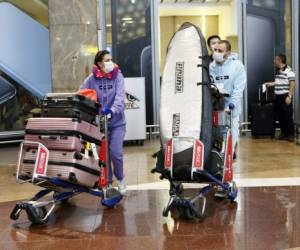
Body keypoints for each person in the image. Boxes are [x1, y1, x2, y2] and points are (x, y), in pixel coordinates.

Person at [80, 50, 126, 194]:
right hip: (100, 124)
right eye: (107, 60)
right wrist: (92, 105)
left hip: (117, 123)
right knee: (103, 155)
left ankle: (121, 179)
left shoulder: (118, 76)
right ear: (99, 64)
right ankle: (109, 182)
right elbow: (82, 93)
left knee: (115, 153)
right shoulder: (92, 79)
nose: (110, 62)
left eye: (110, 59)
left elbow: (120, 98)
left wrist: (112, 111)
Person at [209, 40, 246, 160]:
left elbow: (239, 87)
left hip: (230, 105)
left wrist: (232, 103)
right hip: (216, 104)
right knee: (217, 130)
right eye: (215, 50)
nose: (217, 53)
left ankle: (229, 152)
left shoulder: (237, 66)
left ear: (228, 52)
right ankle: (218, 154)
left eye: (220, 51)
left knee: (231, 129)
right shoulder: (211, 66)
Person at [264, 54, 295, 142]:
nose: (274, 61)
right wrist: (270, 84)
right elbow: (278, 82)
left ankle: (291, 135)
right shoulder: (278, 71)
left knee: (287, 116)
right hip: (278, 97)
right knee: (281, 116)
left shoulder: (289, 71)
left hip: (285, 96)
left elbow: (292, 84)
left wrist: (289, 96)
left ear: (279, 61)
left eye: (275, 60)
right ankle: (284, 134)